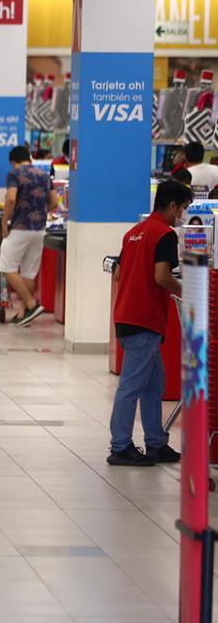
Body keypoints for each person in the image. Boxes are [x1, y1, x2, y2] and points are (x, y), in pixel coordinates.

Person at [107, 179, 191, 466]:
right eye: (184, 208)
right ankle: (120, 447)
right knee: (131, 386)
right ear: (173, 206)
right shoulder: (165, 235)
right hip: (144, 320)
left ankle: (156, 442)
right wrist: (186, 289)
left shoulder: (134, 232)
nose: (183, 214)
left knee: (154, 384)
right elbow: (161, 276)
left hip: (126, 315)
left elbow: (118, 273)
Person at [0, 146, 58, 327]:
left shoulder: (14, 174)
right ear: (30, 159)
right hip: (39, 229)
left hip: (20, 227)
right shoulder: (44, 175)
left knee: (7, 267)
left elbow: (10, 198)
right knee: (29, 273)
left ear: (13, 161)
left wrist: (4, 222)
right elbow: (54, 202)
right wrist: (40, 211)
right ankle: (25, 314)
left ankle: (32, 305)